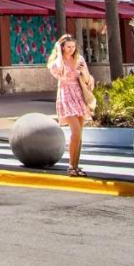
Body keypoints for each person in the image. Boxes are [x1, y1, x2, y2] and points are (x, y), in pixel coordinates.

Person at [48, 33, 95, 176]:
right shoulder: (56, 61)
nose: (71, 49)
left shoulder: (79, 59)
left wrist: (82, 71)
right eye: (68, 47)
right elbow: (59, 71)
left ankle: (75, 166)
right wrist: (58, 51)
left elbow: (87, 79)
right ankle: (70, 166)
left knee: (79, 134)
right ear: (61, 47)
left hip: (79, 95)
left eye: (73, 47)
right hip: (65, 96)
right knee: (75, 131)